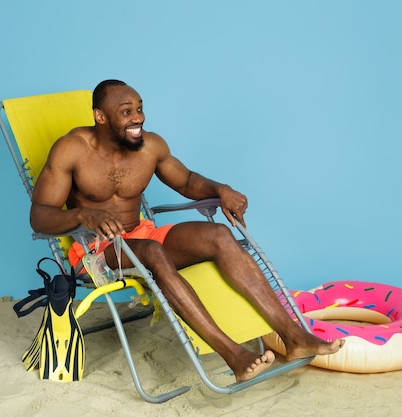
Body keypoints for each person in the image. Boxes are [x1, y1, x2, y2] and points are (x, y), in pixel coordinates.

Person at [30, 79, 344, 382]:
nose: (138, 117)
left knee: (220, 235)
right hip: (95, 251)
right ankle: (234, 356)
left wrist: (221, 189)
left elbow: (186, 181)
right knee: (153, 252)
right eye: (127, 111)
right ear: (100, 116)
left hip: (141, 234)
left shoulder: (150, 146)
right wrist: (83, 214)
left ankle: (294, 337)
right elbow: (40, 217)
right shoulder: (71, 150)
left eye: (140, 108)